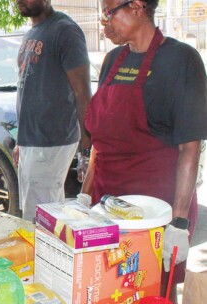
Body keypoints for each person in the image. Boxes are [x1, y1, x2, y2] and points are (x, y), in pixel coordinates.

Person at [81, 0, 207, 301]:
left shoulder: (182, 60)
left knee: (153, 292)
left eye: (108, 13)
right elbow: (100, 141)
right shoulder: (113, 60)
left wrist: (177, 223)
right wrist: (84, 196)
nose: (103, 22)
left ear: (137, 7)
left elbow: (190, 148)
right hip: (106, 205)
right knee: (107, 288)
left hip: (155, 213)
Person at [13, 0, 92, 220]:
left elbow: (82, 92)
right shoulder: (32, 33)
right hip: (32, 142)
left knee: (44, 222)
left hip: (51, 141)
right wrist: (22, 140)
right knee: (32, 215)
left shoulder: (65, 31)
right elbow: (29, 89)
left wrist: (86, 150)